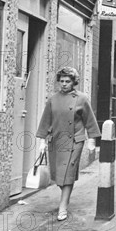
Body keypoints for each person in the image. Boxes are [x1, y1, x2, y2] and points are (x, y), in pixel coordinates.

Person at [36, 67, 101, 221]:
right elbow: (46, 121)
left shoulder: (82, 99)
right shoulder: (53, 99)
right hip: (56, 140)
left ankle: (63, 205)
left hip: (74, 141)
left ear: (74, 82)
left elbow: (90, 121)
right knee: (59, 176)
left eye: (68, 81)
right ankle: (66, 196)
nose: (64, 84)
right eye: (62, 81)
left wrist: (92, 141)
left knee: (67, 174)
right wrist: (42, 141)